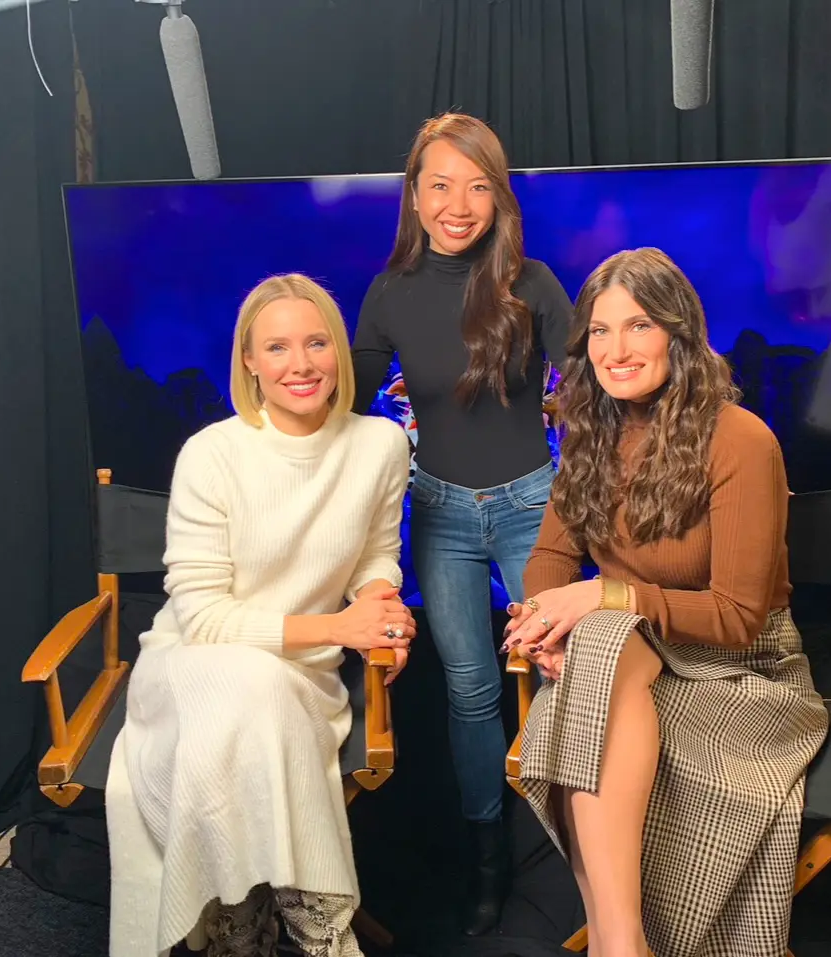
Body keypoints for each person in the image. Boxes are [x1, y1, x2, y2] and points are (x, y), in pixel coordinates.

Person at [503, 248, 830, 957]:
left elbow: (739, 619)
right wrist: (548, 626)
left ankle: (615, 945)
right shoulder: (588, 432)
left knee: (594, 654)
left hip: (741, 667)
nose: (615, 350)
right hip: (632, 654)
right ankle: (623, 945)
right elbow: (551, 560)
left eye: (638, 326)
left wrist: (607, 593)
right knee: (595, 644)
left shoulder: (741, 439)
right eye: (599, 331)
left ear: (679, 333)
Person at [108, 274, 415, 957]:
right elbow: (206, 618)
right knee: (249, 692)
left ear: (338, 350)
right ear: (248, 360)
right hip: (192, 666)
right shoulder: (212, 454)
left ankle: (239, 925)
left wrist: (379, 608)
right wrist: (342, 628)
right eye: (276, 347)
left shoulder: (379, 446)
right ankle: (313, 925)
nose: (300, 364)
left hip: (302, 672)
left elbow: (376, 555)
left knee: (266, 696)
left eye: (315, 343)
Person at [351, 112, 574, 935]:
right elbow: (339, 405)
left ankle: (571, 843)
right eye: (440, 183)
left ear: (499, 196)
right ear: (414, 193)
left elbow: (595, 380)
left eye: (478, 185)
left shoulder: (534, 282)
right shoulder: (391, 292)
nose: (459, 202)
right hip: (438, 511)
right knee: (472, 691)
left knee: (563, 674)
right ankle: (488, 862)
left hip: (532, 508)